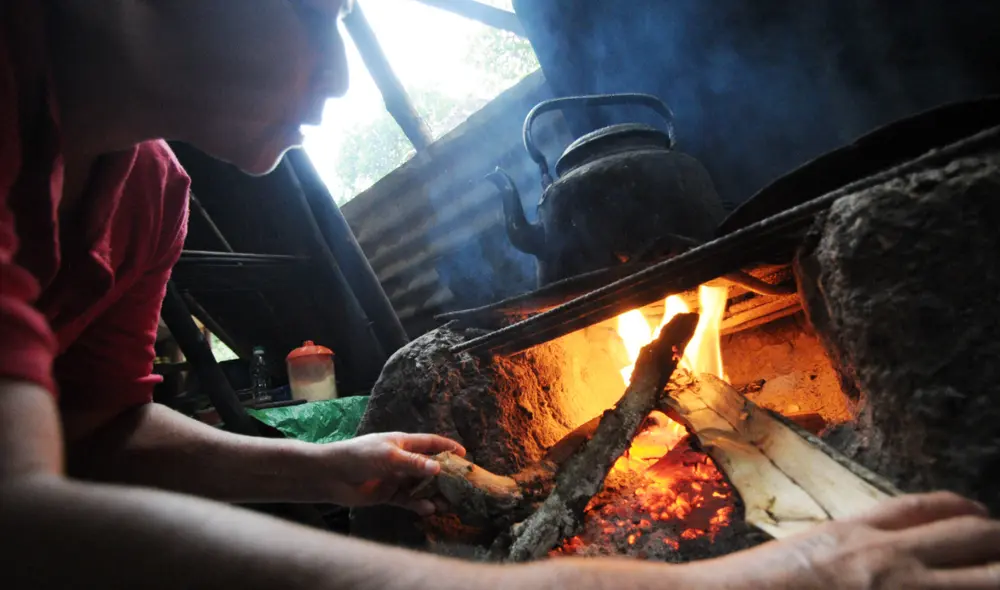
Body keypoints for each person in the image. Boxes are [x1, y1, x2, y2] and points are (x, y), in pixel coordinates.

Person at [1, 1, 998, 588]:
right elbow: (25, 508)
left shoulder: (149, 195)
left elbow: (95, 426)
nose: (341, 77)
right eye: (320, 12)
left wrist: (330, 469)